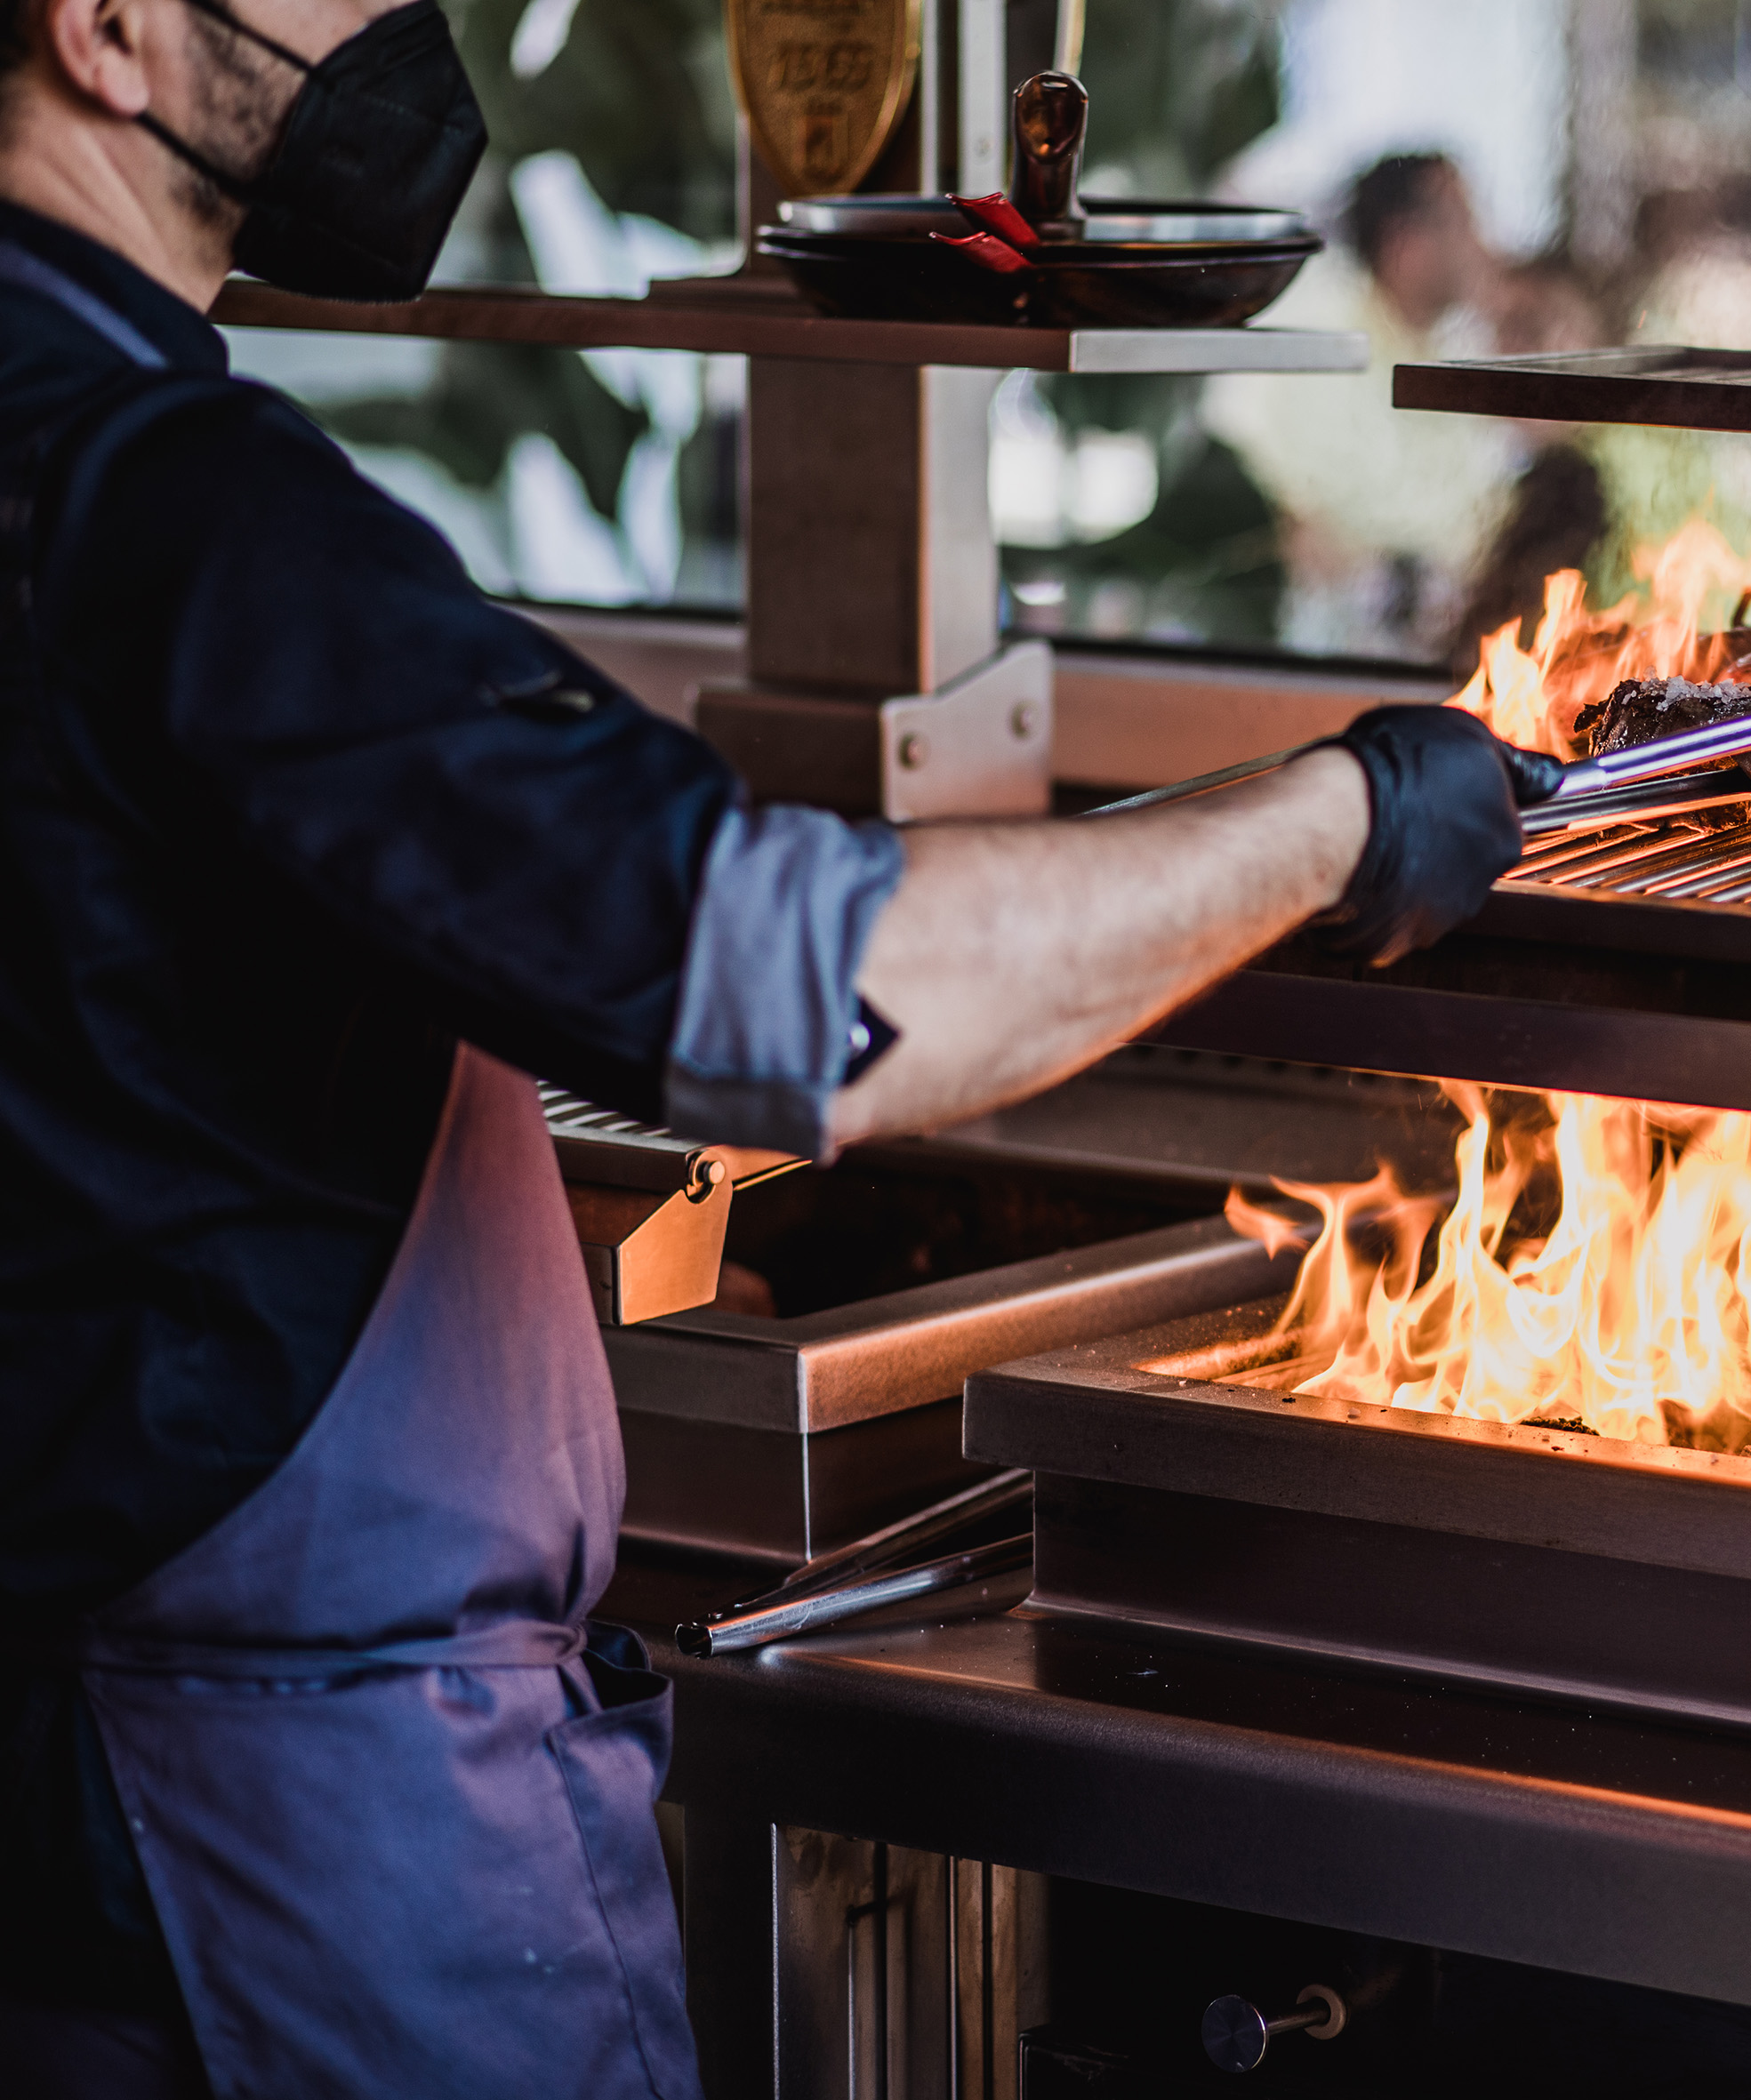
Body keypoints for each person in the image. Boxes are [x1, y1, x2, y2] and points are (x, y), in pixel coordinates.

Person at [0, 2, 1527, 2093]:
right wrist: (1338, 817)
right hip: (271, 1847)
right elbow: (799, 984)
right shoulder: (170, 509)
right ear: (109, 29)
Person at [1203, 149, 1514, 658]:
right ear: (1405, 241)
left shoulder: (1455, 375)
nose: (1484, 242)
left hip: (1405, 655)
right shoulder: (1317, 320)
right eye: (1464, 219)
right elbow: (1229, 458)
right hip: (1274, 642)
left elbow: (1468, 543)